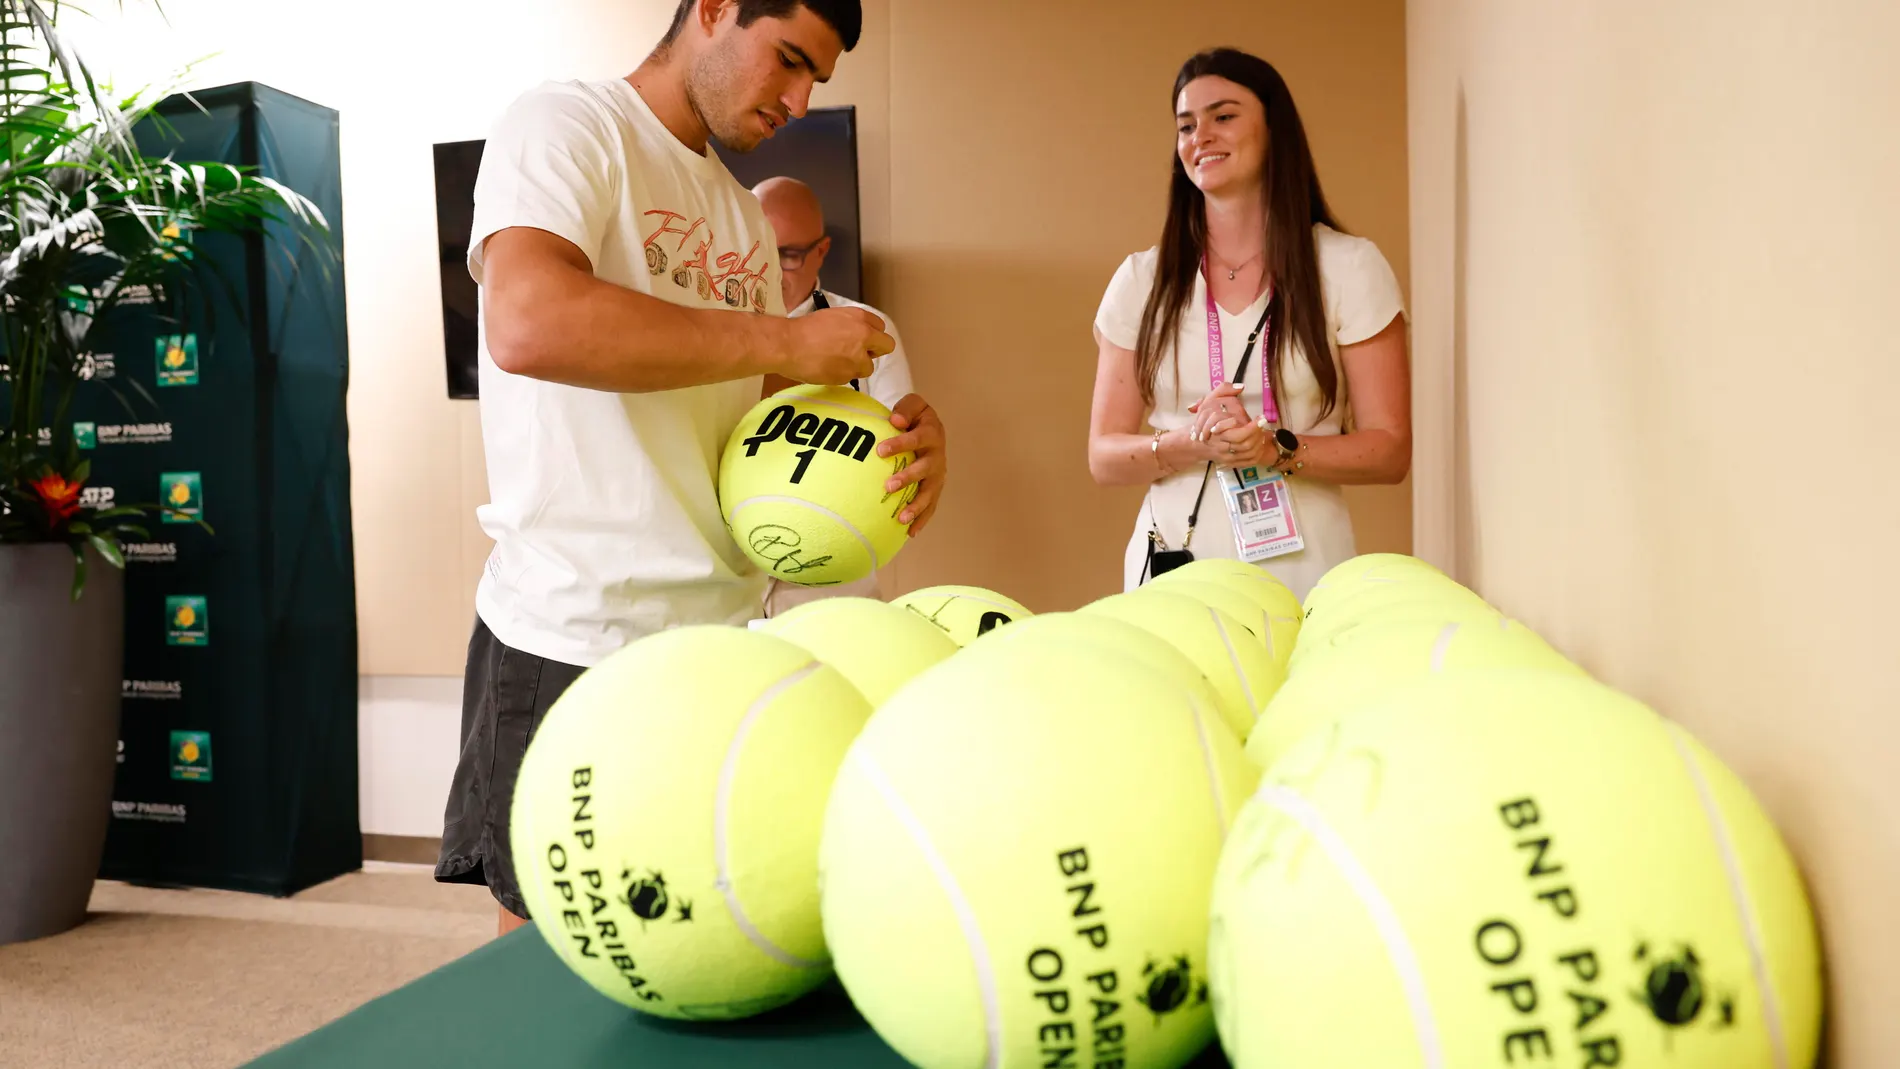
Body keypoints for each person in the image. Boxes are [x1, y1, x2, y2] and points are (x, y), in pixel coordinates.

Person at [435, 0, 949, 937]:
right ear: (712, 9)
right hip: (574, 631)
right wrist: (785, 340)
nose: (797, 99)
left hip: (717, 640)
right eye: (788, 59)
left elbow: (750, 437)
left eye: (816, 81)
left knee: (687, 949)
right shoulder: (567, 124)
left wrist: (889, 453)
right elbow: (527, 322)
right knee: (547, 969)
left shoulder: (740, 221)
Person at [1087, 47, 1410, 602]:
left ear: (1274, 131)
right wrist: (1192, 443)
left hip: (1305, 568)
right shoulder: (1141, 279)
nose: (1200, 135)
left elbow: (1389, 450)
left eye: (1224, 116)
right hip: (1171, 570)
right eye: (1186, 125)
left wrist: (1272, 449)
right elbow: (1103, 454)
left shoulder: (1348, 266)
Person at [751, 174, 916, 615]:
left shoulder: (869, 329)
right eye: (758, 246)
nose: (767, 267)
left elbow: (898, 455)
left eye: (786, 255)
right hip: (725, 594)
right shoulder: (702, 327)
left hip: (831, 593)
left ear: (820, 251)